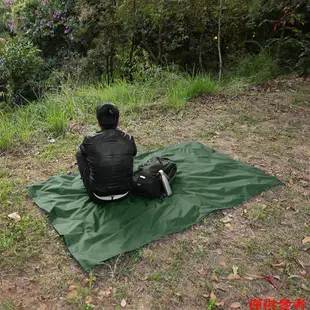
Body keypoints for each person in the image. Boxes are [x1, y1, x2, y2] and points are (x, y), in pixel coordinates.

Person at [76, 103, 137, 203]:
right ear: (118, 121)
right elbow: (134, 153)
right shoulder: (129, 138)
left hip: (97, 196)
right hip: (125, 193)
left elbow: (84, 154)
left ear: (98, 123)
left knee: (80, 154)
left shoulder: (89, 140)